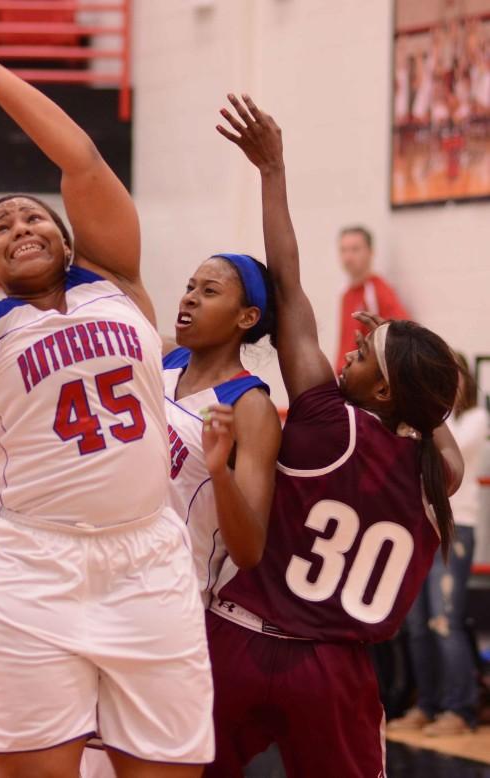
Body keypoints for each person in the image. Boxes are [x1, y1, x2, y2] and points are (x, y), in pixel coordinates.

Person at [0, 2, 212, 775]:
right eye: (1, 226)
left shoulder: (119, 283)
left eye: (33, 216)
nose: (21, 226)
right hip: (29, 568)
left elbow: (81, 161)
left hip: (147, 556)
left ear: (68, 237)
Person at [206, 94, 463, 778]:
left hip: (242, 641)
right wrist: (396, 363)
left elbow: (287, 286)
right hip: (337, 670)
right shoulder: (437, 472)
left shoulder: (326, 420)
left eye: (362, 356)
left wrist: (272, 170)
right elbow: (438, 422)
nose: (346, 355)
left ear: (382, 391)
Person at [162, 253, 281, 603]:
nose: (190, 298)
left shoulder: (250, 406)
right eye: (190, 287)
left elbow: (248, 551)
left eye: (210, 291)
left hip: (173, 591)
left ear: (247, 317)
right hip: (105, 568)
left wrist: (219, 472)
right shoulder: (163, 356)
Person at [390, 352, 488, 737]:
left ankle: (461, 709)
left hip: (454, 530)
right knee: (416, 625)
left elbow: (449, 452)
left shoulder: (474, 419)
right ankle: (428, 704)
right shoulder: (428, 420)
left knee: (444, 620)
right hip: (419, 529)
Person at [334, 225, 410, 373]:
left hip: (364, 380)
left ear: (370, 252)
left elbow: (403, 336)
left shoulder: (378, 292)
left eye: (355, 249)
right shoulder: (345, 293)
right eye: (343, 250)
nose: (348, 257)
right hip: (345, 374)